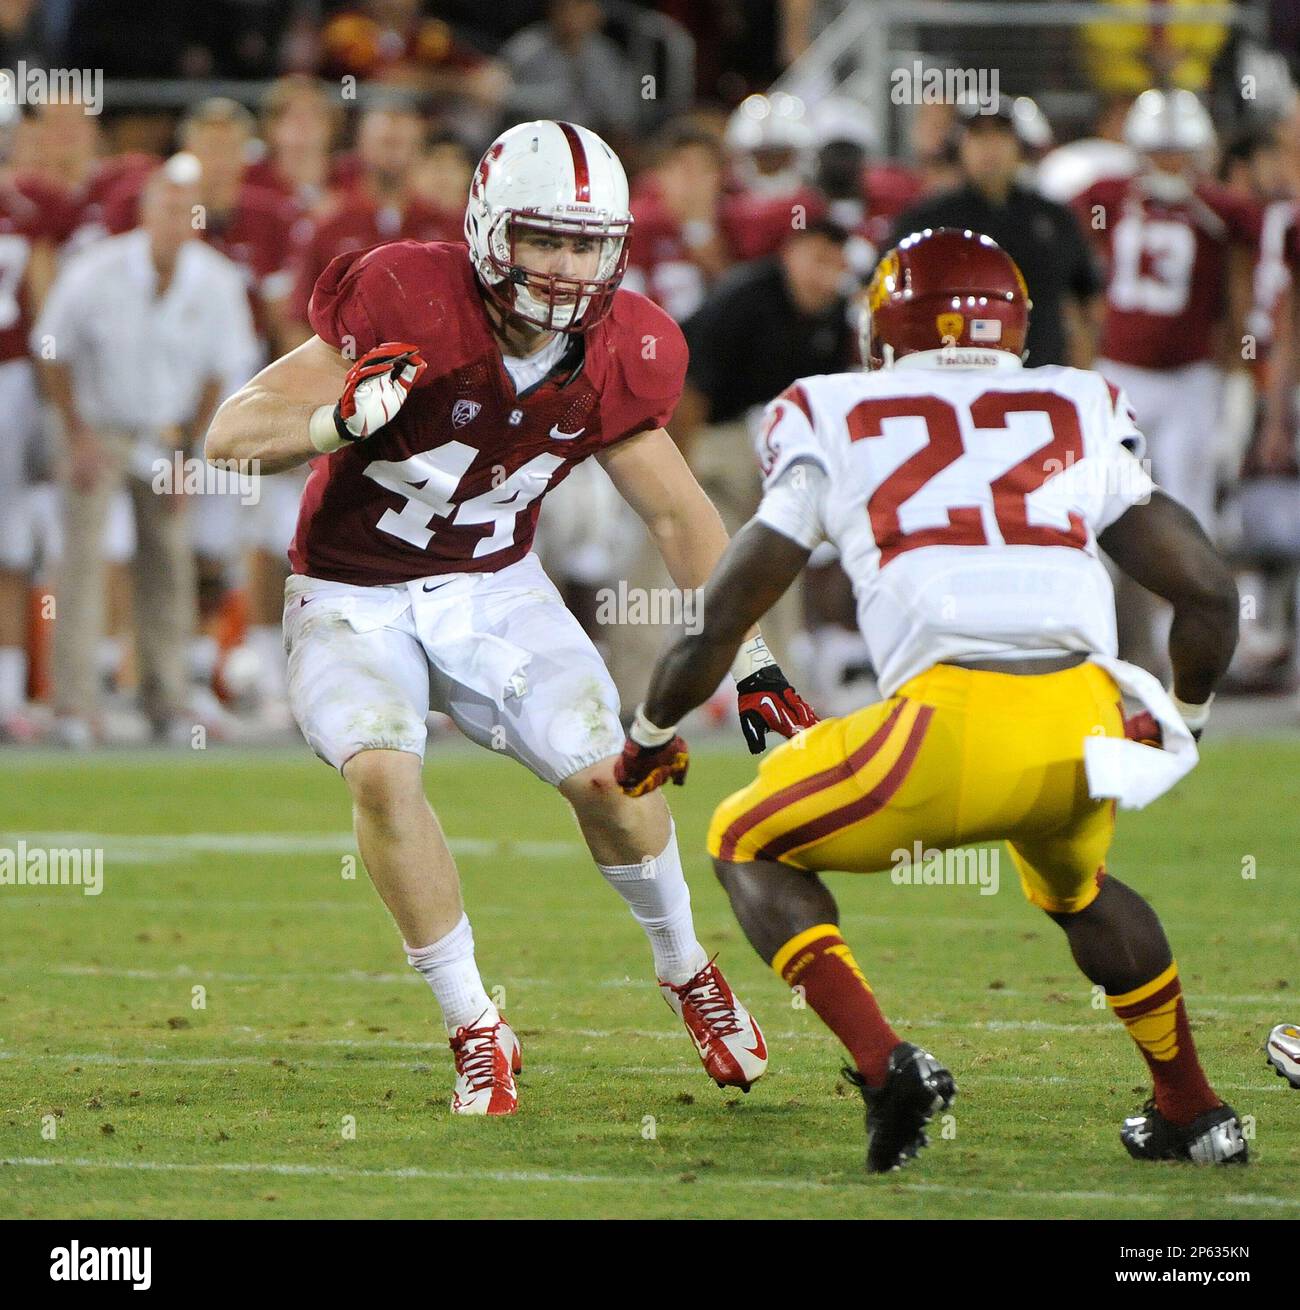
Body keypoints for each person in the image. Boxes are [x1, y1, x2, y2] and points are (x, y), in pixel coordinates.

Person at [205, 119, 817, 1117]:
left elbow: (675, 509)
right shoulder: (407, 293)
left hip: (494, 585)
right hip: (352, 594)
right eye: (546, 239)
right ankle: (474, 1022)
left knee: (609, 780)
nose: (569, 266)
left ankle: (685, 965)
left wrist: (746, 655)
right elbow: (230, 433)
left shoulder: (628, 344)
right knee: (382, 771)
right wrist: (330, 422)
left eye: (588, 244)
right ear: (491, 231)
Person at [614, 227, 1247, 1173]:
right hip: (1087, 722)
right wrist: (1181, 726)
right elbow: (1207, 591)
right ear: (1018, 330)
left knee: (745, 841)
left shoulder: (832, 411)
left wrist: (653, 730)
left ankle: (885, 1067)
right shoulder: (1076, 400)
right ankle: (1194, 1111)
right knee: (1080, 891)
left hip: (946, 728)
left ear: (884, 334)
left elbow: (724, 616)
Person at [35, 158, 258, 746]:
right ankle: (74, 707)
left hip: (167, 433)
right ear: (144, 213)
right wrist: (77, 434)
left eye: (186, 211)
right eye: (165, 208)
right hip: (100, 425)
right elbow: (51, 350)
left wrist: (189, 450)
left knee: (169, 561)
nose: (175, 220)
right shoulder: (96, 269)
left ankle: (168, 699)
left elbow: (218, 371)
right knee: (82, 559)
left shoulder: (214, 279)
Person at [890, 97, 1103, 367]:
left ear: (1019, 145)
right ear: (960, 146)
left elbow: (1087, 301)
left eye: (1000, 135)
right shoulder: (926, 218)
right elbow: (881, 292)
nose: (990, 148)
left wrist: (1082, 374)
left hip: (1039, 376)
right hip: (950, 376)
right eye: (978, 136)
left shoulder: (1054, 218)